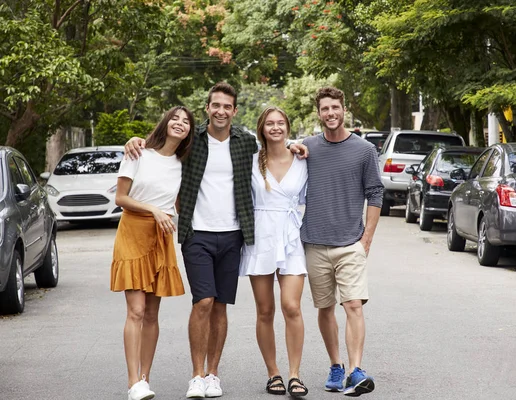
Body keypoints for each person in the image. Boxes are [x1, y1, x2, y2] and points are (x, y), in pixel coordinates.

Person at [124, 82, 308, 399]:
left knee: (220, 306)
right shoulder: (190, 143)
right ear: (207, 108)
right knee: (203, 301)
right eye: (215, 105)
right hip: (197, 234)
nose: (221, 110)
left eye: (227, 106)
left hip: (235, 235)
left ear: (234, 111)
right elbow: (160, 150)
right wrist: (136, 140)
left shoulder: (245, 143)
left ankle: (213, 374)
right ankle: (196, 375)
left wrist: (295, 144)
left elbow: (274, 144)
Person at [301, 87, 384, 397]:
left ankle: (354, 370)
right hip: (314, 242)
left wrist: (366, 240)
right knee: (324, 309)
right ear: (319, 113)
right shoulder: (307, 147)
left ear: (344, 109)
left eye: (335, 107)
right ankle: (336, 365)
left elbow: (375, 193)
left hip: (351, 242)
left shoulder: (364, 150)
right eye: (325, 109)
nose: (330, 113)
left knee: (353, 306)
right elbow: (275, 154)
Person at [111, 106, 194, 400]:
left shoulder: (184, 165)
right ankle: (133, 381)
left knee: (152, 314)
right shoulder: (138, 153)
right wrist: (154, 210)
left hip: (162, 237)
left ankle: (145, 378)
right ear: (165, 122)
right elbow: (121, 198)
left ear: (189, 132)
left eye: (186, 122)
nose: (180, 123)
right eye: (175, 118)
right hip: (133, 232)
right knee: (136, 310)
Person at [239, 107, 309, 397]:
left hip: (291, 237)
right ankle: (273, 373)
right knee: (265, 310)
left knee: (291, 306)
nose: (276, 127)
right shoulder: (251, 161)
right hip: (261, 236)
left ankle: (294, 374)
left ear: (288, 128)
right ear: (262, 128)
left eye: (281, 123)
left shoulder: (303, 159)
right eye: (270, 123)